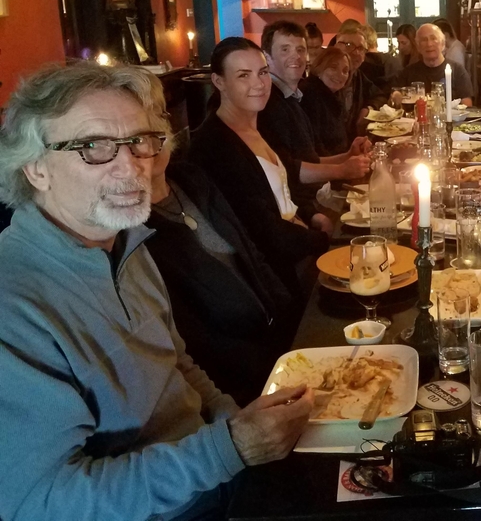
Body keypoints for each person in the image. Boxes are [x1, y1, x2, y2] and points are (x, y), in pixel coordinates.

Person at [0, 62, 312, 521]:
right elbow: (43, 502)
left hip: (218, 478)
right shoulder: (15, 304)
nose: (132, 166)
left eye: (139, 141)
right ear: (35, 170)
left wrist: (236, 422)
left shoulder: (125, 242)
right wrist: (227, 450)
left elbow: (177, 363)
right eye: (93, 147)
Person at [147, 113, 298, 406]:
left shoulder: (192, 179)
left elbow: (250, 251)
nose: (147, 147)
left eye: (154, 130)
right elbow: (194, 339)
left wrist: (291, 319)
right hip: (236, 383)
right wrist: (271, 365)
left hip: (277, 340)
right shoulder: (133, 231)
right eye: (133, 139)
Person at [190, 38, 331, 300]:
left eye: (263, 72)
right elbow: (263, 232)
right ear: (219, 81)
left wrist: (312, 215)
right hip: (274, 276)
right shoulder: (215, 146)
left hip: (296, 246)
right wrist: (323, 241)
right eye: (244, 75)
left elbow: (280, 191)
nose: (259, 84)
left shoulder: (259, 125)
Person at [258, 22, 371, 228]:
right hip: (297, 212)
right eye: (285, 49)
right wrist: (342, 170)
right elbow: (286, 170)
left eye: (300, 49)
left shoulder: (292, 98)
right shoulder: (268, 104)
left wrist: (347, 157)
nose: (296, 56)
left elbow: (309, 158)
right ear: (267, 57)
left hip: (313, 199)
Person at [389, 23, 473, 103]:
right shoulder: (408, 73)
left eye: (433, 38)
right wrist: (396, 97)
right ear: (418, 46)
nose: (429, 44)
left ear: (442, 44)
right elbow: (394, 99)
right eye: (424, 40)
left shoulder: (458, 70)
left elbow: (467, 104)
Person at [300, 44, 352, 155]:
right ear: (319, 67)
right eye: (333, 67)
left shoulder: (333, 95)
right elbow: (316, 149)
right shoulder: (309, 95)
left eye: (345, 70)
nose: (340, 75)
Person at [337, 25, 388, 137]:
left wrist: (368, 108)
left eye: (360, 48)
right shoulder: (327, 80)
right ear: (336, 47)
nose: (356, 53)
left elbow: (380, 96)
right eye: (349, 45)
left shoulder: (358, 76)